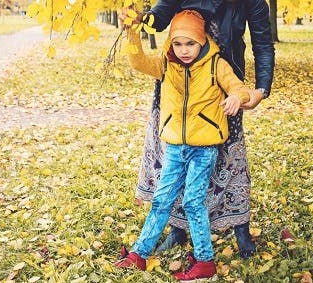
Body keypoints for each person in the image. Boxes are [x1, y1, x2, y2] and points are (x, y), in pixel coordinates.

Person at [131, 0, 275, 260]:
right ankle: (177, 228)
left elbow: (263, 44)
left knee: (230, 155)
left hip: (222, 81)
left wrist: (261, 89)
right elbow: (158, 19)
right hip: (178, 82)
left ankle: (239, 226)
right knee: (174, 157)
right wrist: (137, 19)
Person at [115, 10, 250, 281]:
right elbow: (138, 61)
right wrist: (131, 31)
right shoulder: (167, 64)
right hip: (175, 147)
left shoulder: (215, 65)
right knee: (161, 200)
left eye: (190, 43)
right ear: (171, 44)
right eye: (178, 43)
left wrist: (236, 97)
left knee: (192, 202)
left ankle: (205, 260)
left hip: (204, 149)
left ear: (202, 41)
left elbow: (239, 87)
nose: (184, 50)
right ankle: (139, 254)